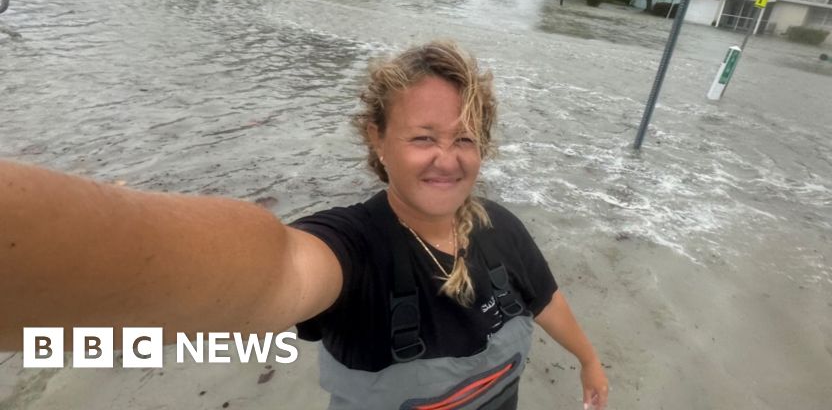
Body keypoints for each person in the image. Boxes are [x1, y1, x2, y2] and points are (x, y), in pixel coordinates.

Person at [0, 41, 609, 410]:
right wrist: (112, 242)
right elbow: (273, 271)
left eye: (465, 139)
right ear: (377, 138)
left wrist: (588, 359)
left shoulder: (501, 228)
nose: (447, 159)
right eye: (423, 138)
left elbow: (544, 296)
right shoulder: (354, 251)